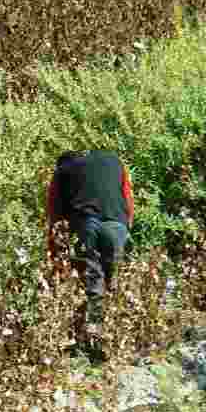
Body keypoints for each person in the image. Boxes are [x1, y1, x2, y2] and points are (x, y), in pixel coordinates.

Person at [45, 150, 135, 358]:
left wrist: (54, 254)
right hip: (116, 224)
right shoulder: (114, 161)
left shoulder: (62, 170)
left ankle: (92, 344)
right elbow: (128, 199)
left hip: (86, 225)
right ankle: (117, 339)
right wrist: (125, 227)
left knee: (92, 283)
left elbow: (54, 214)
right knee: (114, 282)